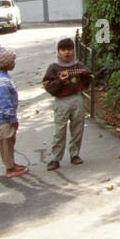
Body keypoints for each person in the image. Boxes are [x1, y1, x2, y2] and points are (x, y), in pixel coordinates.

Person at [42, 37, 92, 171]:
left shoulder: (78, 65)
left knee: (77, 128)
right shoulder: (53, 68)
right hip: (61, 101)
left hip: (76, 99)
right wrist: (60, 81)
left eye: (69, 49)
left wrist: (86, 78)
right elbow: (47, 86)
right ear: (58, 51)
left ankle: (75, 155)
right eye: (63, 50)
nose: (67, 53)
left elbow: (88, 79)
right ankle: (55, 158)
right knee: (59, 131)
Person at [0, 44, 27, 178]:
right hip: (4, 120)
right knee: (6, 144)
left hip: (5, 118)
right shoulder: (2, 81)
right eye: (12, 61)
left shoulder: (2, 76)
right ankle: (9, 168)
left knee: (10, 142)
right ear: (5, 63)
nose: (14, 63)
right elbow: (4, 102)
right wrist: (12, 118)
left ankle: (11, 164)